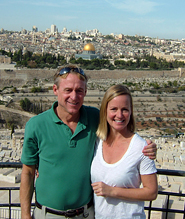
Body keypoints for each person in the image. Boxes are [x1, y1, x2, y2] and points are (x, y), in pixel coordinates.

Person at [20, 65, 157, 219]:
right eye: (68, 90)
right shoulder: (36, 125)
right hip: (47, 215)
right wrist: (25, 215)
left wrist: (147, 147)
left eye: (79, 90)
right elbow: (28, 172)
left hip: (86, 214)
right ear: (55, 90)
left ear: (85, 92)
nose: (74, 96)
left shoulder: (94, 118)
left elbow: (119, 126)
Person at [91, 84, 158, 219]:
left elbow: (151, 192)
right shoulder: (96, 142)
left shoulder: (141, 147)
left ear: (131, 111)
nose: (119, 115)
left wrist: (112, 191)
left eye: (125, 109)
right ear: (105, 111)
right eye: (114, 109)